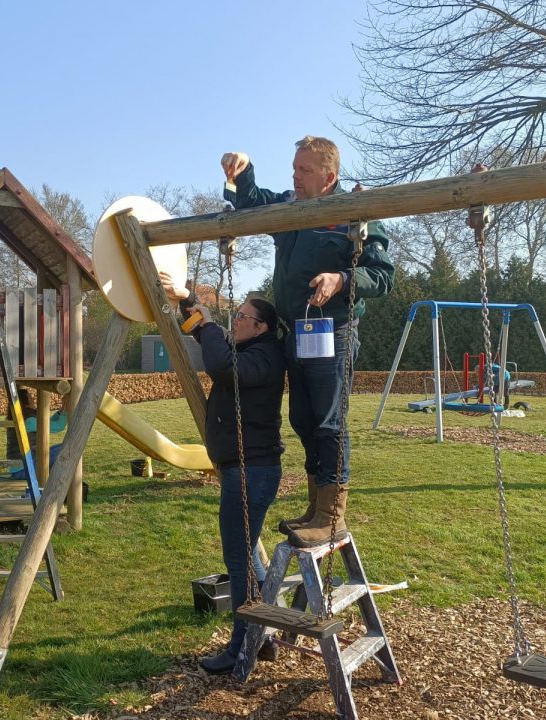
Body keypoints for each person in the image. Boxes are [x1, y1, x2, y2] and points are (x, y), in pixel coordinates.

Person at [220, 136, 395, 548]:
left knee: (328, 422)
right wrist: (242, 172)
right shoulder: (289, 206)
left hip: (333, 333)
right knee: (302, 419)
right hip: (294, 333)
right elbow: (252, 203)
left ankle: (332, 515)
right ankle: (317, 505)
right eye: (294, 168)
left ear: (329, 176)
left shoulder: (356, 212)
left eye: (305, 170)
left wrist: (343, 279)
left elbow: (384, 276)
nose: (295, 177)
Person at [161, 274, 286, 674]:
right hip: (246, 469)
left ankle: (240, 648)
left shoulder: (265, 357)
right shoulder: (254, 350)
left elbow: (220, 363)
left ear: (261, 326)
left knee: (238, 560)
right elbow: (212, 344)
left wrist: (211, 323)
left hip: (251, 472)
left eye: (244, 316)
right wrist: (188, 301)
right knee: (247, 553)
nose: (237, 320)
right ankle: (265, 634)